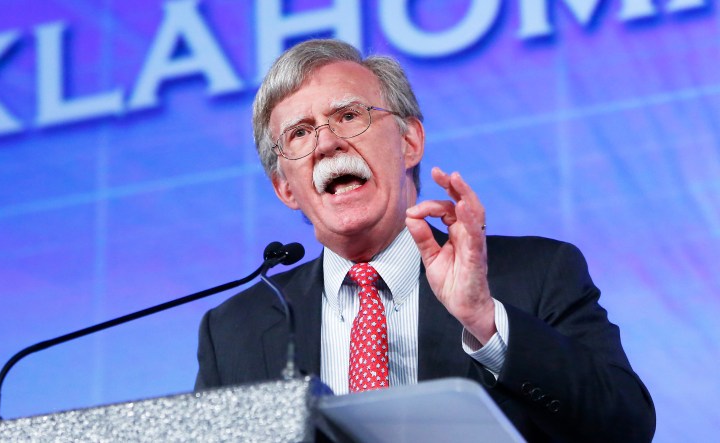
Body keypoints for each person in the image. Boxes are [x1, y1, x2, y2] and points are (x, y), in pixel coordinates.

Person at [195, 39, 656, 442]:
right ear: (286, 189)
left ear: (410, 141)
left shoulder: (537, 273)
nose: (326, 144)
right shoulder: (234, 329)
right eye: (299, 133)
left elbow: (625, 427)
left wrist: (485, 320)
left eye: (348, 115)